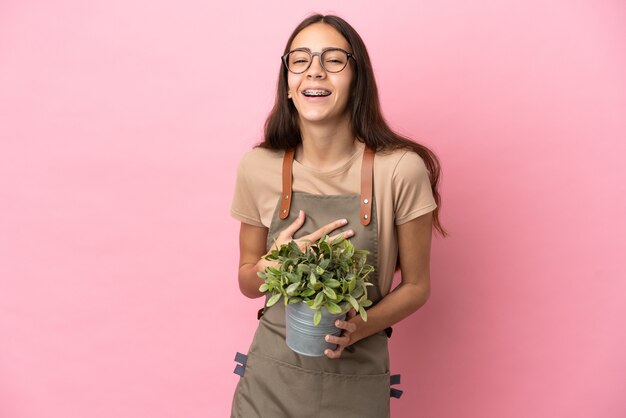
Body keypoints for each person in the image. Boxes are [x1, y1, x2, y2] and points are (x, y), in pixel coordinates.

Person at [229, 13, 444, 418]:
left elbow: (417, 285)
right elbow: (246, 281)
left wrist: (358, 327)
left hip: (355, 383)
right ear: (288, 82)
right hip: (270, 381)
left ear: (356, 78)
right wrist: (275, 261)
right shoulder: (257, 167)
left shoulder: (399, 169)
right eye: (300, 60)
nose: (315, 71)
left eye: (333, 60)